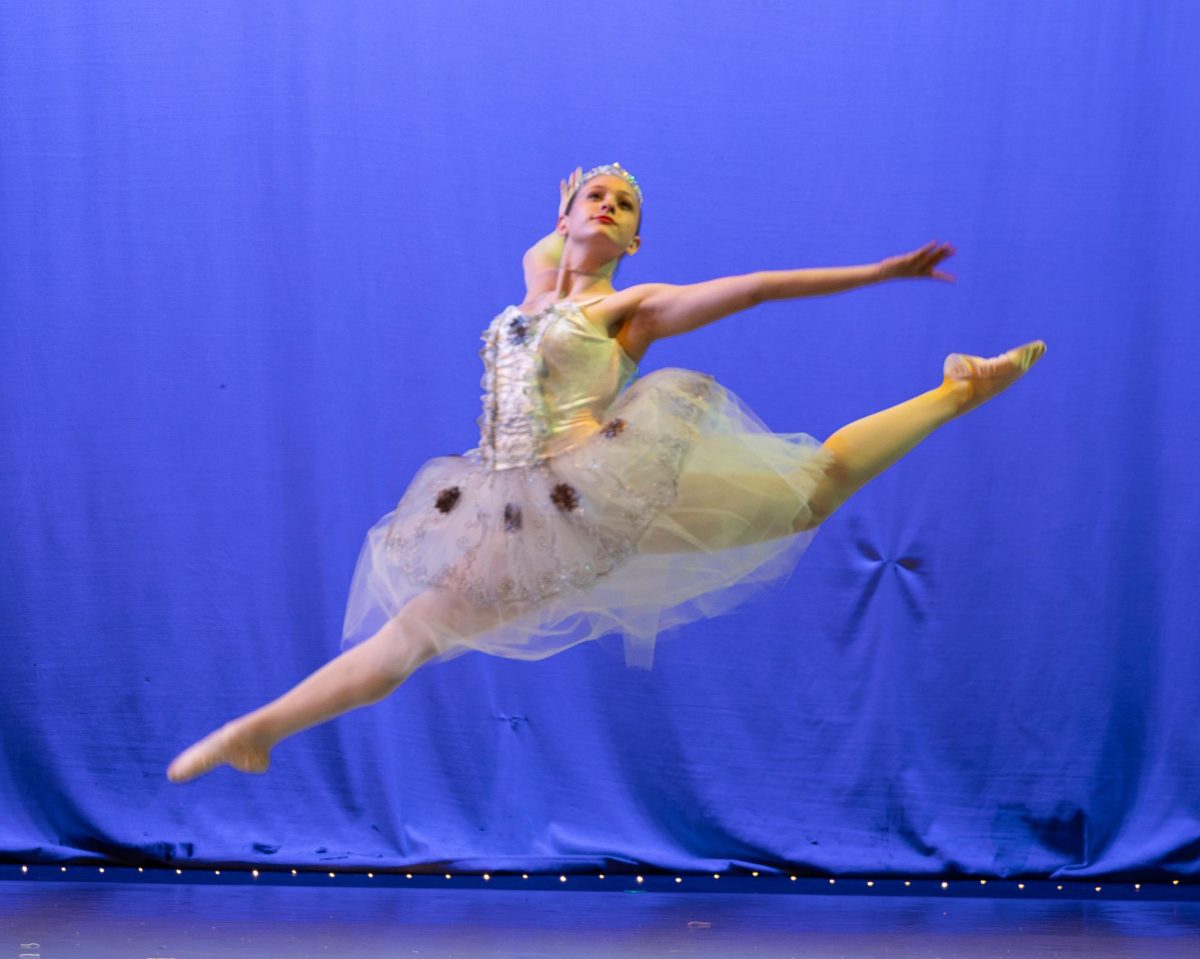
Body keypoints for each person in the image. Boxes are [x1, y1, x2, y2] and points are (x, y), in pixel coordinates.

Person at [167, 163, 1044, 783]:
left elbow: (759, 287)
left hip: (598, 481)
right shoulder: (536, 280)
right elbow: (545, 248)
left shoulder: (629, 308)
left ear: (636, 235)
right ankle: (257, 730)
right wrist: (562, 212)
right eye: (596, 196)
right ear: (563, 216)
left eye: (624, 205)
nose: (608, 208)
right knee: (410, 638)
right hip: (505, 504)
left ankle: (955, 393)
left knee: (813, 486)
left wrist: (881, 272)